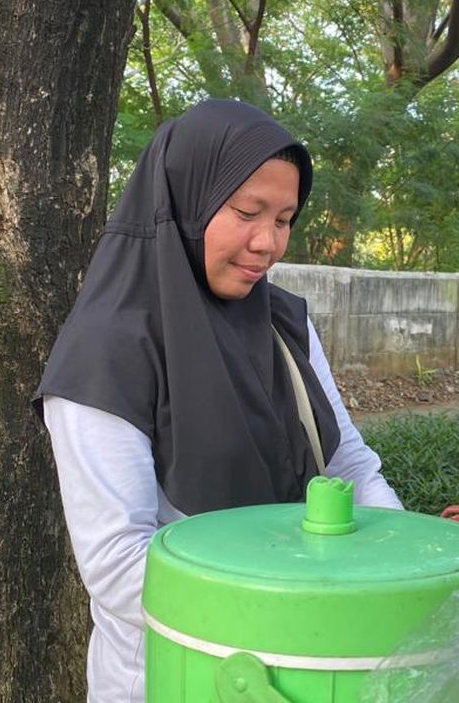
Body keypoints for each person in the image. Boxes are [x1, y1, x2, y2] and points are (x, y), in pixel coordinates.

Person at [34, 99, 402, 703]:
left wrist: (400, 568)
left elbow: (347, 465)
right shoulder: (106, 352)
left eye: (284, 219)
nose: (268, 243)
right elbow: (118, 564)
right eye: (246, 212)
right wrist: (310, 608)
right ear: (185, 202)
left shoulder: (284, 324)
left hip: (309, 662)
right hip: (176, 671)